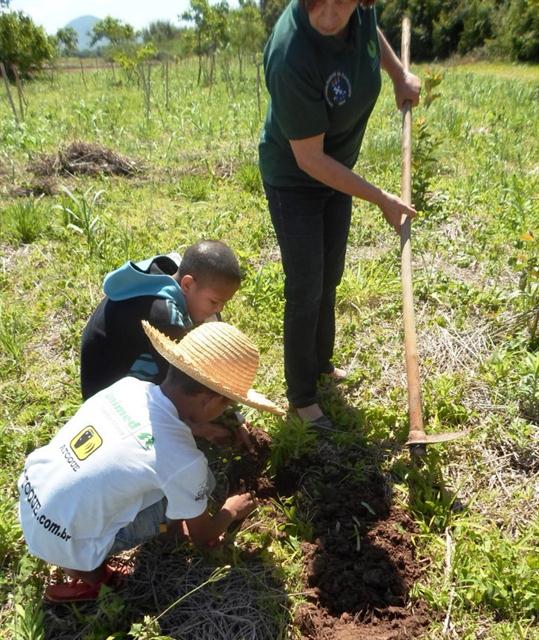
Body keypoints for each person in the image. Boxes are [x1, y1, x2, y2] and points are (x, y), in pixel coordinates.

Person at [18, 321, 284, 604]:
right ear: (209, 401)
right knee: (205, 482)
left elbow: (143, 429)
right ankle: (95, 577)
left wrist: (198, 429)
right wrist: (231, 511)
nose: (225, 412)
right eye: (225, 405)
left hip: (32, 502)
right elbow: (202, 537)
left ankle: (79, 555)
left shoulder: (128, 387)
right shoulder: (184, 460)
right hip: (67, 542)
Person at [259, 0, 421, 430]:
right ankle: (302, 396)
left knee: (330, 274)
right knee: (306, 286)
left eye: (343, 2)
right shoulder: (290, 54)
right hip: (296, 179)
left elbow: (371, 34)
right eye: (318, 1)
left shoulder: (361, 13)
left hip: (338, 173)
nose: (328, 15)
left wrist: (397, 74)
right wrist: (382, 198)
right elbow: (310, 159)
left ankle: (322, 364)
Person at [80, 239, 242, 401]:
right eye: (214, 302)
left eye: (223, 303)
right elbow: (183, 383)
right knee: (190, 397)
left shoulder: (169, 270)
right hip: (108, 399)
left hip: (117, 365)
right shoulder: (164, 316)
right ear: (187, 285)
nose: (219, 309)